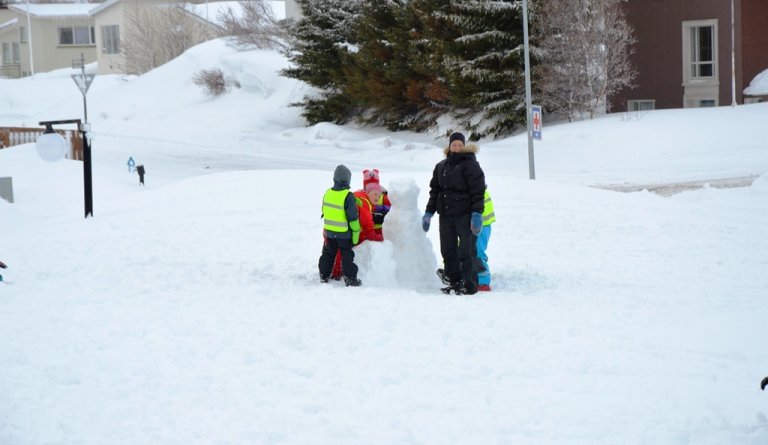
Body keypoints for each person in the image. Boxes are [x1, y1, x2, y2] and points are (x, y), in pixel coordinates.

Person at [423, 132, 486, 295]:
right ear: (449, 147)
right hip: (446, 215)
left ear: (464, 146)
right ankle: (454, 279)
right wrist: (429, 212)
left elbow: (478, 191)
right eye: (453, 145)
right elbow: (434, 191)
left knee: (466, 250)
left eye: (459, 145)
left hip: (465, 215)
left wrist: (477, 214)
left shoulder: (471, 165)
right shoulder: (441, 166)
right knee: (448, 249)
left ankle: (470, 283)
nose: (456, 148)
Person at [318, 165, 362, 287]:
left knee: (328, 254)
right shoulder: (348, 196)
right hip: (344, 234)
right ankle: (350, 279)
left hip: (329, 232)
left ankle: (323, 275)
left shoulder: (328, 193)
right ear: (348, 180)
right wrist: (356, 232)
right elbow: (353, 218)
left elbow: (325, 210)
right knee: (347, 256)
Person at [330, 182, 385, 279]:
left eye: (379, 195)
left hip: (332, 227)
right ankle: (336, 272)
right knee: (342, 250)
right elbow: (369, 230)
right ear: (367, 193)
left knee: (332, 249)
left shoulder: (357, 197)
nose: (377, 197)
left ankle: (328, 270)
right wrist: (380, 237)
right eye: (375, 194)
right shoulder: (365, 204)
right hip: (345, 232)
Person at [363, 169, 392, 236]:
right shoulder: (361, 196)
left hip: (380, 233)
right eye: (368, 185)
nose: (371, 188)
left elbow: (394, 210)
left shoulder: (384, 196)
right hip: (366, 234)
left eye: (374, 185)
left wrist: (382, 209)